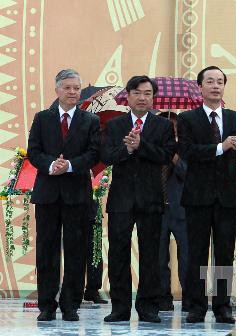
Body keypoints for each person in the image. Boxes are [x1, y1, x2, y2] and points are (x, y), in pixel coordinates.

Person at [177, 66, 236, 324]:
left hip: (226, 196)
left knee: (224, 254)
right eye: (209, 81)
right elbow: (188, 151)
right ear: (199, 87)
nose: (215, 85)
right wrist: (220, 147)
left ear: (225, 86)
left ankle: (223, 306)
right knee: (197, 254)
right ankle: (197, 306)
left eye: (220, 81)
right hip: (197, 197)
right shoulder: (187, 119)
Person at [101, 76, 176, 323]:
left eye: (147, 93)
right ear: (129, 96)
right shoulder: (115, 125)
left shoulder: (163, 126)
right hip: (121, 200)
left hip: (151, 199)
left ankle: (148, 308)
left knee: (151, 256)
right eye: (137, 93)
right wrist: (127, 149)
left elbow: (166, 157)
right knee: (118, 254)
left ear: (153, 97)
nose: (142, 97)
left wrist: (141, 145)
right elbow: (107, 156)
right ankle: (119, 308)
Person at [28, 69, 100, 321]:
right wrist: (51, 165)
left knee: (75, 251)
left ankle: (70, 304)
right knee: (46, 251)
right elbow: (33, 151)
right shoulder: (42, 118)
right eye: (68, 88)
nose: (73, 92)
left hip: (77, 195)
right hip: (47, 194)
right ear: (57, 90)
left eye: (76, 88)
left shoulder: (90, 121)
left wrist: (69, 165)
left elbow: (94, 153)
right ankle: (47, 305)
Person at [157, 112, 189, 312]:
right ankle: (163, 299)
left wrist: (176, 157)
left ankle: (190, 299)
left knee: (187, 257)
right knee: (159, 259)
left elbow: (189, 174)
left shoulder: (186, 148)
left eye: (174, 127)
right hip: (158, 210)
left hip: (181, 210)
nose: (171, 130)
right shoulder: (154, 148)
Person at [83, 198, 108, 304]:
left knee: (95, 253)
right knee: (75, 254)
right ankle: (74, 293)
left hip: (93, 211)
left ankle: (93, 290)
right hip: (73, 205)